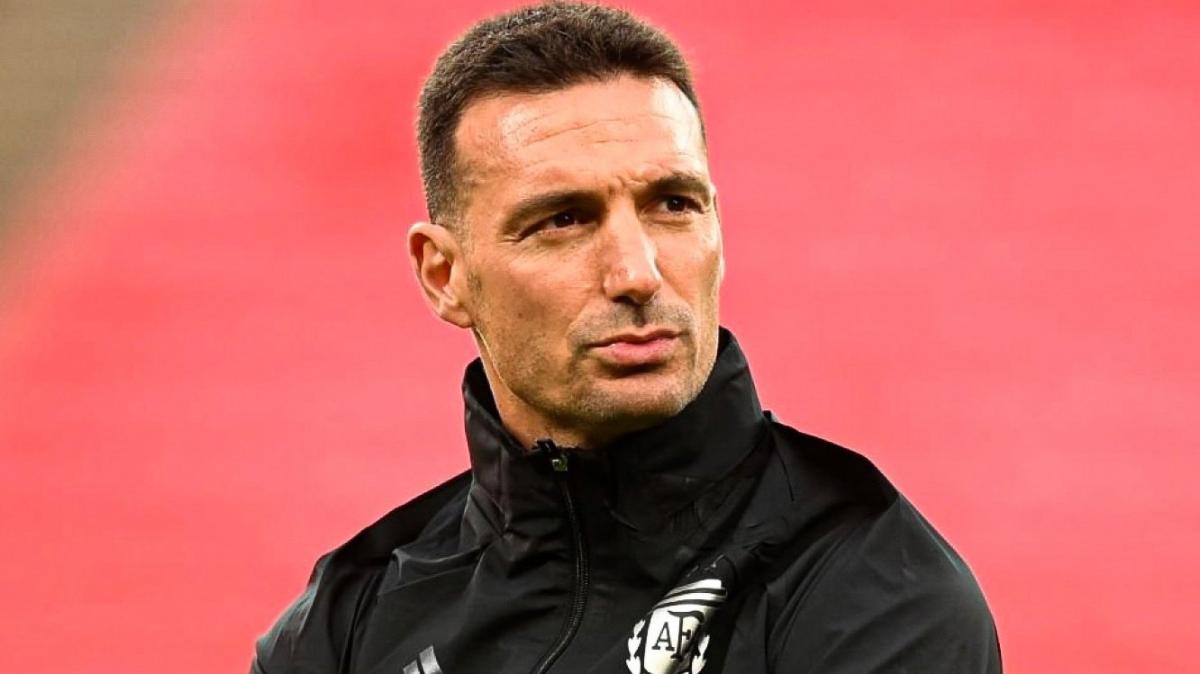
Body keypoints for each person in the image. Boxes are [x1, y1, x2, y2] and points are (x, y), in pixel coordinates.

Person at [251, 3, 1002, 673]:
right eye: (564, 220)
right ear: (445, 275)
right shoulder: (345, 625)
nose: (637, 273)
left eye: (673, 204)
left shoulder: (870, 590)